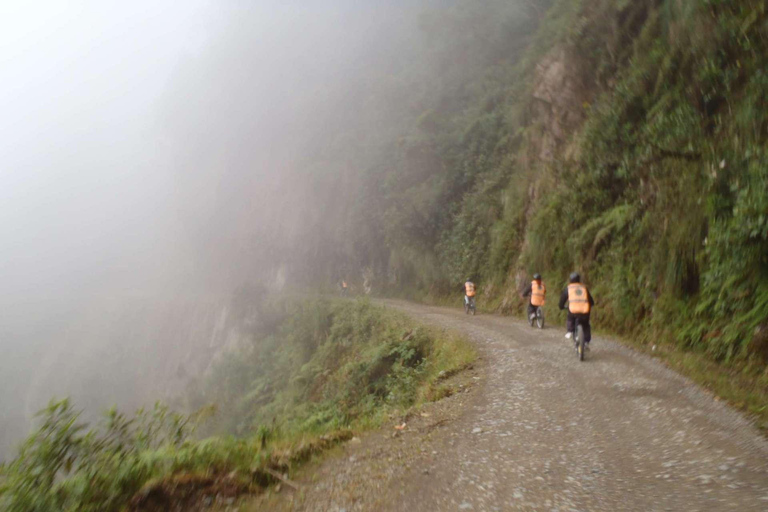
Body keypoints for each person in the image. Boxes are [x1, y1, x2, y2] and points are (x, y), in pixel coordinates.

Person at [558, 272, 595, 348]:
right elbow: (591, 300)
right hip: (585, 311)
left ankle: (570, 331)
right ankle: (586, 341)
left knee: (570, 318)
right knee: (586, 325)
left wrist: (561, 306)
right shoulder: (584, 288)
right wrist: (591, 305)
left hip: (573, 311)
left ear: (570, 280)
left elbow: (562, 299)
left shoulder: (569, 288)